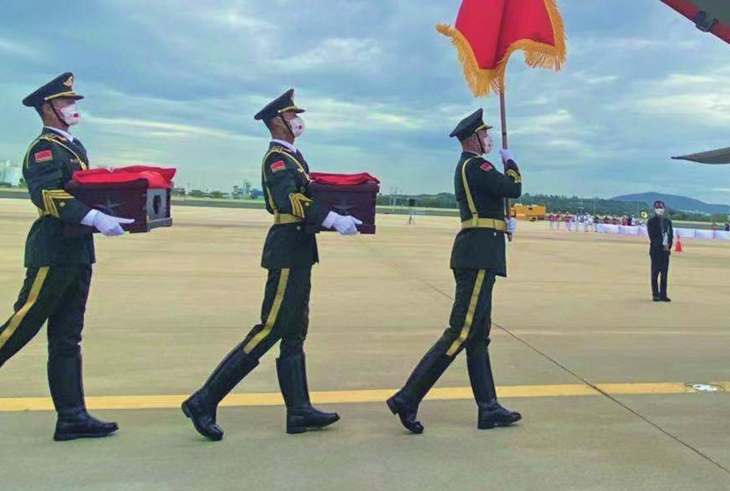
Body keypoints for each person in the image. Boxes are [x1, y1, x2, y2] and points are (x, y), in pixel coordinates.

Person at [0, 73, 132, 451]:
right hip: (53, 251)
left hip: (77, 251)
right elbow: (49, 196)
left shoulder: (72, 146)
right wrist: (95, 218)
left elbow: (82, 190)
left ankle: (71, 416)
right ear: (47, 108)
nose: (74, 109)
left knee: (67, 337)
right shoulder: (44, 149)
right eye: (67, 103)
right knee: (15, 333)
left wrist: (111, 207)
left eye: (74, 102)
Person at [182, 89, 362, 442]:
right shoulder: (277, 159)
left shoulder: (294, 158)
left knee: (294, 331)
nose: (298, 119)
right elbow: (290, 200)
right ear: (277, 121)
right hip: (286, 250)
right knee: (270, 328)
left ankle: (298, 411)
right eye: (292, 114)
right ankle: (204, 400)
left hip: (299, 249)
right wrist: (331, 218)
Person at [387, 109, 522, 434]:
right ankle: (407, 397)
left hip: (481, 252)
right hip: (477, 255)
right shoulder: (477, 165)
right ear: (474, 138)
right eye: (485, 134)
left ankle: (488, 408)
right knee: (461, 331)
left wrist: (504, 222)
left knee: (478, 337)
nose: (488, 139)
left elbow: (496, 200)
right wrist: (512, 164)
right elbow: (512, 189)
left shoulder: (471, 167)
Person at [647, 201, 674, 302]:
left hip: (665, 252)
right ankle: (655, 294)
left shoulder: (668, 222)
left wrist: (668, 245)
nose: (659, 209)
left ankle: (663, 294)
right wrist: (661, 244)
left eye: (661, 207)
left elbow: (671, 235)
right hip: (655, 251)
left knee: (664, 274)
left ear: (664, 208)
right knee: (655, 273)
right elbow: (652, 237)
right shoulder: (651, 222)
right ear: (654, 209)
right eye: (657, 207)